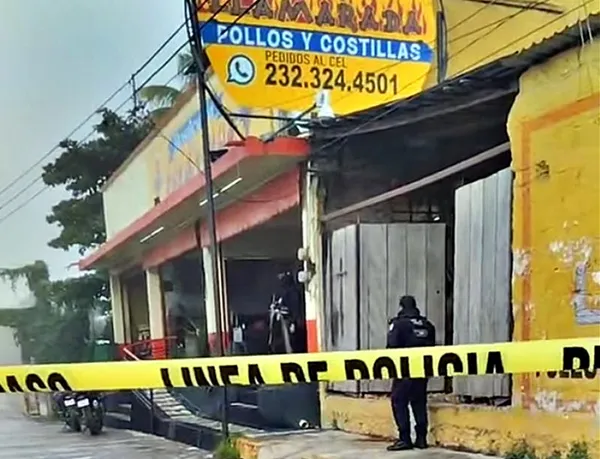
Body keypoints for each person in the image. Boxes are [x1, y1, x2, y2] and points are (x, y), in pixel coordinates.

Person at [386, 295, 436, 451]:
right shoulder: (428, 325)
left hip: (405, 369)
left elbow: (392, 345)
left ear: (401, 306)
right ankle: (421, 438)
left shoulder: (399, 324)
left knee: (399, 401)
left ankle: (404, 438)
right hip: (422, 370)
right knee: (419, 402)